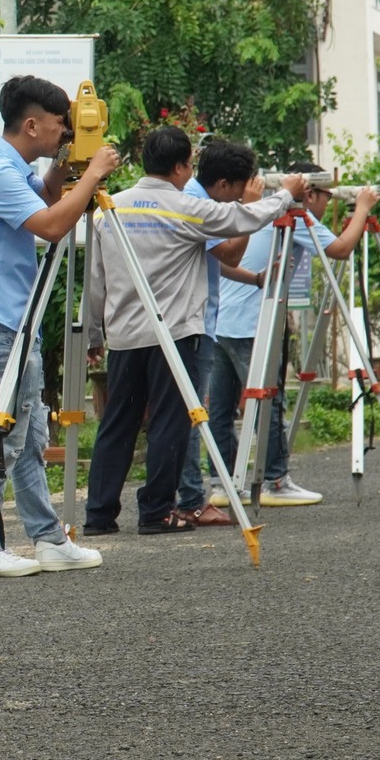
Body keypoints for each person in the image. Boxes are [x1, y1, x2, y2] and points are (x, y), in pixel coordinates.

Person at [81, 127, 304, 536]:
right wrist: (285, 194)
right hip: (176, 334)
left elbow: (95, 280)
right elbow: (246, 217)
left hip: (125, 335)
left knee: (117, 424)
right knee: (170, 423)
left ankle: (99, 515)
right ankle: (155, 512)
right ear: (182, 166)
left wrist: (93, 335)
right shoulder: (187, 209)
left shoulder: (108, 209)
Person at [0, 76, 118, 577]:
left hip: (12, 323)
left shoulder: (10, 166)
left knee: (27, 439)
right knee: (2, 436)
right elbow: (51, 225)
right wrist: (93, 173)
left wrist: (68, 165)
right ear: (31, 125)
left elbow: (47, 198)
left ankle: (48, 540)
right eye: (58, 125)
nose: (65, 131)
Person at [200, 164, 379, 508]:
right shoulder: (294, 216)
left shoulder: (259, 208)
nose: (327, 203)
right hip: (254, 323)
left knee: (221, 409)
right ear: (308, 193)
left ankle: (222, 483)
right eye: (326, 196)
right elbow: (342, 248)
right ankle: (275, 480)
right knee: (269, 401)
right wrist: (362, 208)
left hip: (221, 321)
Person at [174, 138, 265, 527]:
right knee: (193, 414)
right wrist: (249, 211)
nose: (241, 197)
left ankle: (181, 496)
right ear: (225, 184)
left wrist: (253, 279)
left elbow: (215, 259)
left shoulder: (197, 198)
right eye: (240, 189)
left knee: (197, 412)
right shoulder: (200, 205)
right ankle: (192, 498)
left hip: (198, 322)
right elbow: (229, 252)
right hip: (193, 325)